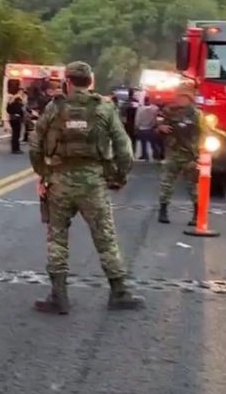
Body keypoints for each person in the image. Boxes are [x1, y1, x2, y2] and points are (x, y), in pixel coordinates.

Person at [29, 61, 142, 314]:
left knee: (57, 239)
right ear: (91, 82)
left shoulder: (54, 108)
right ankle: (119, 291)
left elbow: (35, 146)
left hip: (59, 181)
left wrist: (44, 174)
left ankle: (59, 296)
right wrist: (118, 177)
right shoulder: (104, 108)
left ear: (67, 82)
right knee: (105, 238)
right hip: (93, 183)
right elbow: (124, 149)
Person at [156, 81, 200, 225]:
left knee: (193, 187)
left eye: (184, 96)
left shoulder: (197, 114)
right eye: (179, 96)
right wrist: (160, 128)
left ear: (190, 98)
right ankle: (163, 211)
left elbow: (204, 134)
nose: (180, 99)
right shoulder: (169, 111)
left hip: (189, 156)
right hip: (173, 153)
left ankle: (196, 215)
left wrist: (199, 153)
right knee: (166, 184)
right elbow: (157, 127)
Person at [134, 96, 160, 162]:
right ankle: (156, 154)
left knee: (143, 143)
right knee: (153, 143)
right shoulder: (154, 108)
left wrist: (136, 126)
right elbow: (156, 116)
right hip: (151, 128)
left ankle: (144, 155)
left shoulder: (140, 109)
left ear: (144, 101)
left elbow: (137, 119)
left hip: (142, 129)